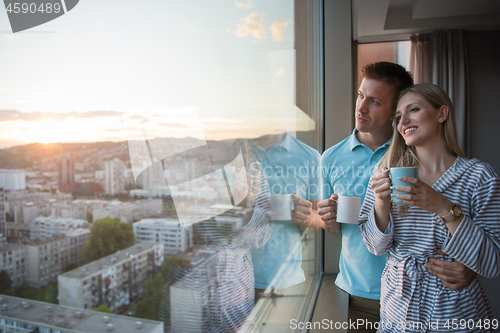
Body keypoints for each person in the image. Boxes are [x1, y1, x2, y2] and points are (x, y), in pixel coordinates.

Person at [318, 63, 475, 333]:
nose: (361, 107)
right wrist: (327, 218)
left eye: (375, 101)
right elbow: (333, 229)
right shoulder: (330, 158)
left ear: (395, 110)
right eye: (360, 95)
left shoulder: (421, 151)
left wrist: (471, 265)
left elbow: (450, 226)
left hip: (426, 295)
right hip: (360, 293)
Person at [360, 83, 500, 332]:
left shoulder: (479, 177)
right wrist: (381, 204)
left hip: (454, 313)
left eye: (414, 110)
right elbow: (375, 247)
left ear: (441, 114)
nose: (404, 121)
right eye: (399, 116)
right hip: (397, 310)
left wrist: (443, 206)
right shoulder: (387, 171)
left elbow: (492, 263)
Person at [249, 132, 323, 300]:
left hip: (287, 282)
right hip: (234, 279)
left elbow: (318, 219)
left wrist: (305, 217)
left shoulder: (310, 157)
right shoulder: (237, 150)